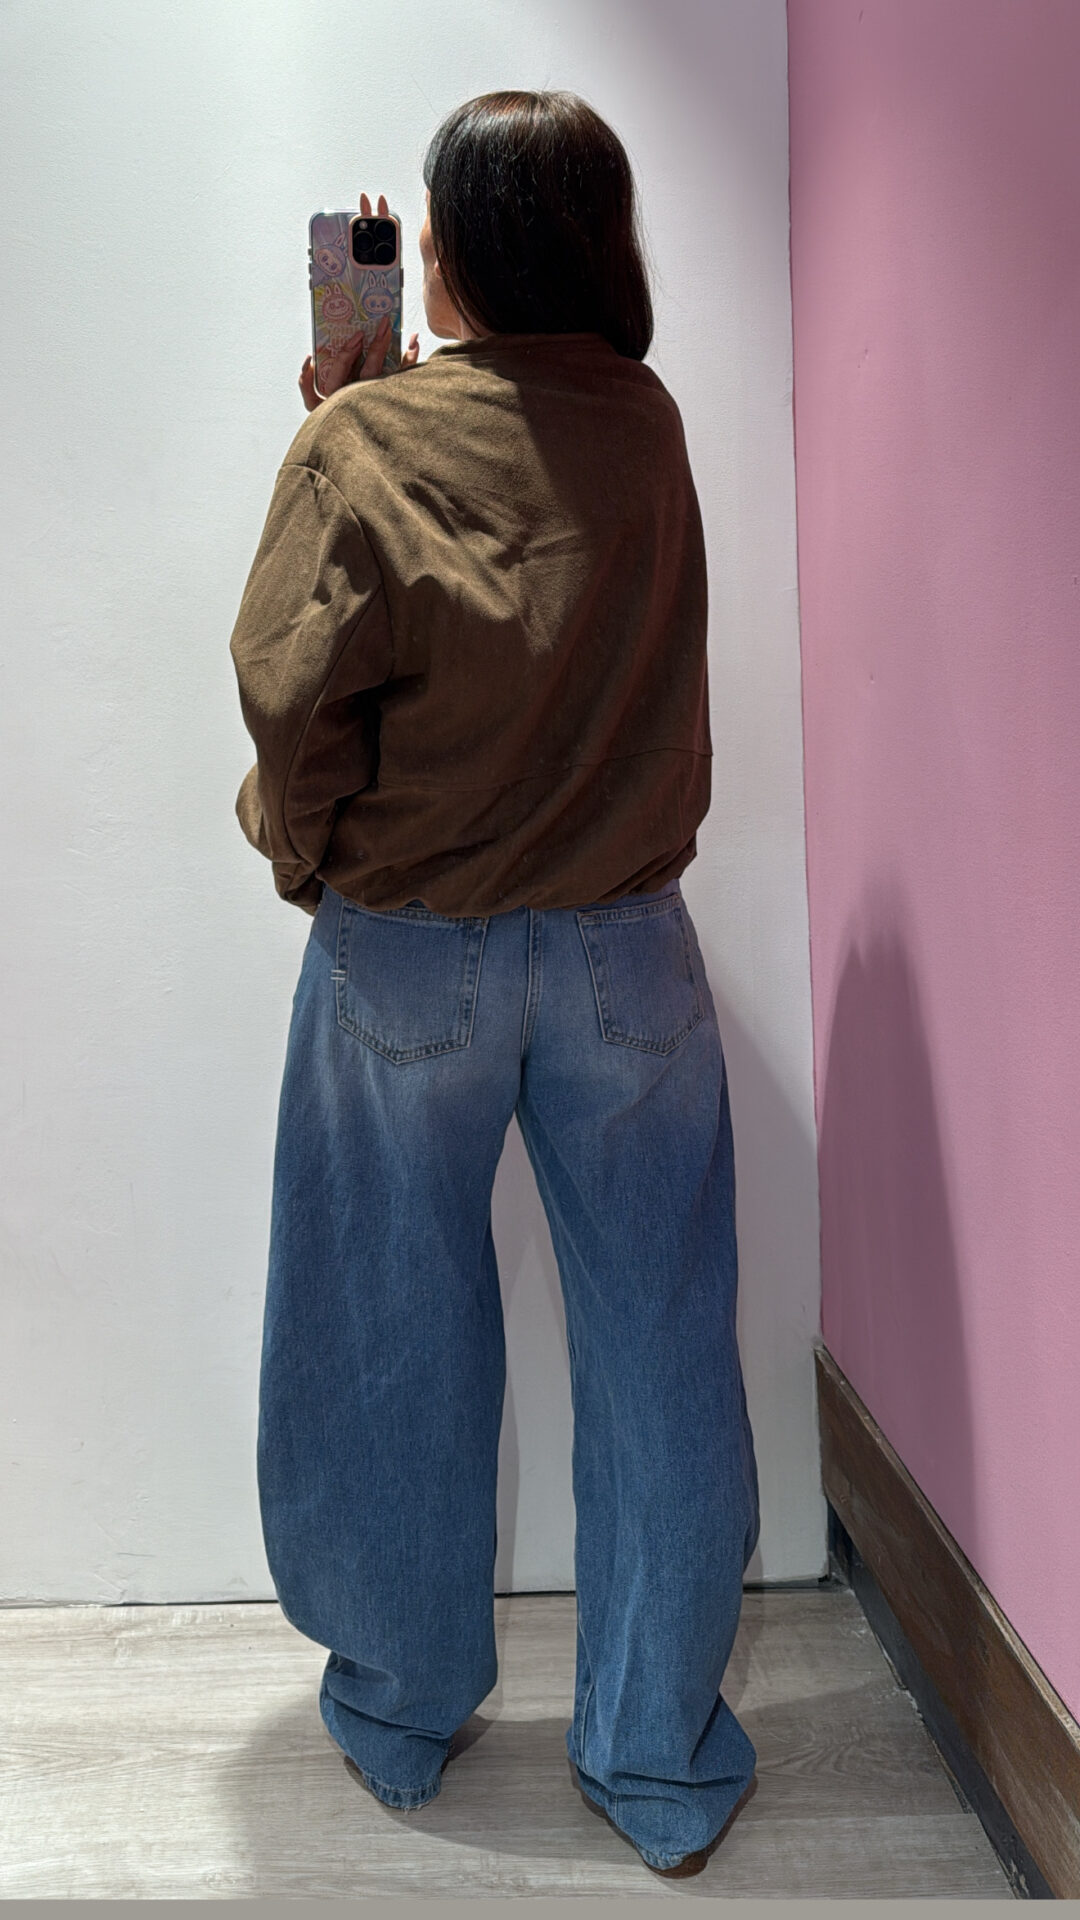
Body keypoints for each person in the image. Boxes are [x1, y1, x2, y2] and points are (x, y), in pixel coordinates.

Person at [228, 89, 760, 1880]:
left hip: (411, 952)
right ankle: (658, 1755)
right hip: (629, 954)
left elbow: (294, 700)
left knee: (388, 1325)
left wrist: (305, 859)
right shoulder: (647, 423)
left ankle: (399, 1710)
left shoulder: (362, 442)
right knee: (662, 1339)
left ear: (451, 251)